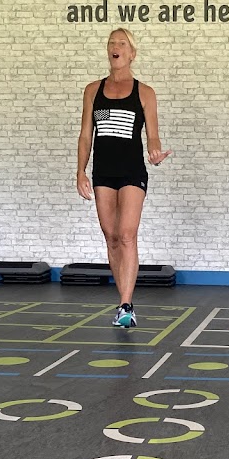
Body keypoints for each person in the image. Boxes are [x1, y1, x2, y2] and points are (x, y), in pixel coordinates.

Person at [77, 28, 170, 328]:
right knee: (112, 237)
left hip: (132, 172)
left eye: (121, 43)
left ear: (132, 53)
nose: (114, 46)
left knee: (127, 234)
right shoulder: (93, 90)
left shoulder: (145, 92)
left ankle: (126, 304)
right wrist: (80, 171)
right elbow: (86, 135)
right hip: (103, 173)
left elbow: (153, 136)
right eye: (111, 42)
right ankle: (123, 302)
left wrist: (155, 152)